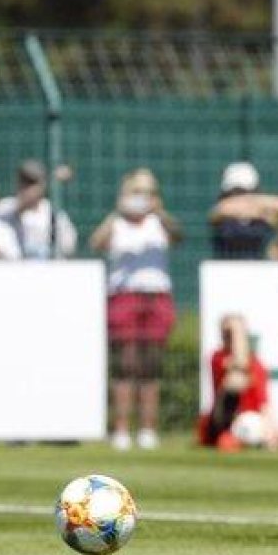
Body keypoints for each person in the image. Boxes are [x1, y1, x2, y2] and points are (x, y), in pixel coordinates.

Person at [89, 168, 182, 451]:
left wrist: (159, 211)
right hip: (124, 295)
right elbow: (96, 243)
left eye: (148, 192)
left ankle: (147, 428)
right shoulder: (117, 224)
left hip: (156, 294)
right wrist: (117, 212)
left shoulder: (158, 223)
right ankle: (120, 428)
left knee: (151, 365)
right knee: (125, 365)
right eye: (137, 192)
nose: (143, 198)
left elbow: (177, 235)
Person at [198, 314, 278, 451]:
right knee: (236, 380)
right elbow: (239, 364)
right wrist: (237, 329)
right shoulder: (217, 357)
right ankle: (247, 439)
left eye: (233, 333)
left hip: (254, 419)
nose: (230, 337)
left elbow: (264, 403)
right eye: (227, 333)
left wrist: (270, 430)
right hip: (225, 419)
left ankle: (261, 440)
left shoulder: (257, 365)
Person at [0, 159, 77, 259]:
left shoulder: (52, 213)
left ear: (42, 186)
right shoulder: (5, 206)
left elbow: (69, 246)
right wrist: (21, 207)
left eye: (31, 183)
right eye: (23, 181)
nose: (26, 187)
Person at [209, 161, 278, 260]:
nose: (240, 197)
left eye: (243, 192)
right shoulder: (221, 212)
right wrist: (258, 212)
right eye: (235, 192)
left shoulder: (268, 213)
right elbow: (219, 211)